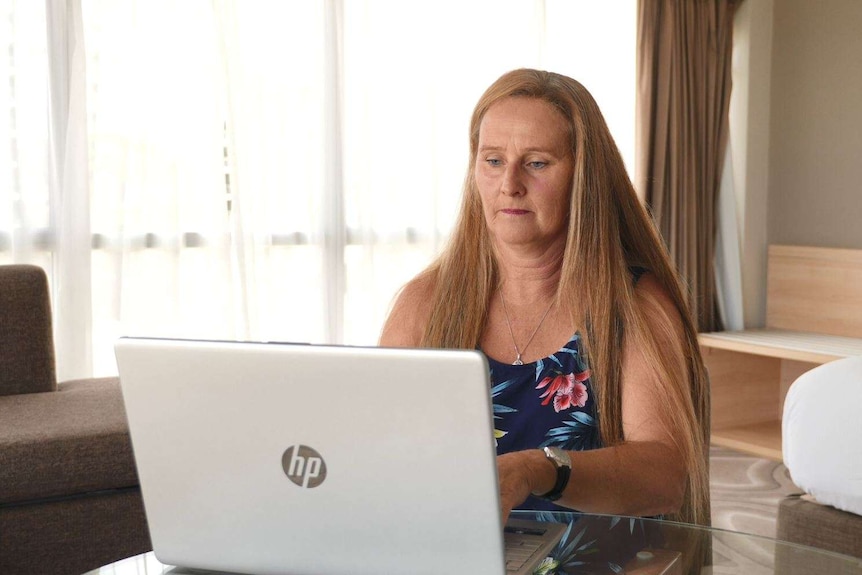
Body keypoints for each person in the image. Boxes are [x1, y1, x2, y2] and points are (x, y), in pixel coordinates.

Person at [379, 68, 710, 528]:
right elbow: (378, 457)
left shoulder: (635, 307)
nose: (509, 184)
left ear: (584, 177)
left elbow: (666, 476)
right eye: (493, 160)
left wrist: (536, 469)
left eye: (536, 163)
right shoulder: (423, 304)